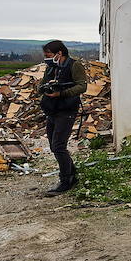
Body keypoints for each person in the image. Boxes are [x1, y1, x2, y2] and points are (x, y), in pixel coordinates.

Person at [39, 40, 87, 195]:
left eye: (48, 55)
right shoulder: (50, 68)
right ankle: (72, 174)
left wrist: (62, 92)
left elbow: (82, 86)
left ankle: (66, 180)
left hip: (66, 110)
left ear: (59, 53)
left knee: (59, 146)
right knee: (54, 146)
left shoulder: (74, 65)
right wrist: (44, 88)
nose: (46, 58)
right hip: (52, 110)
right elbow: (42, 84)